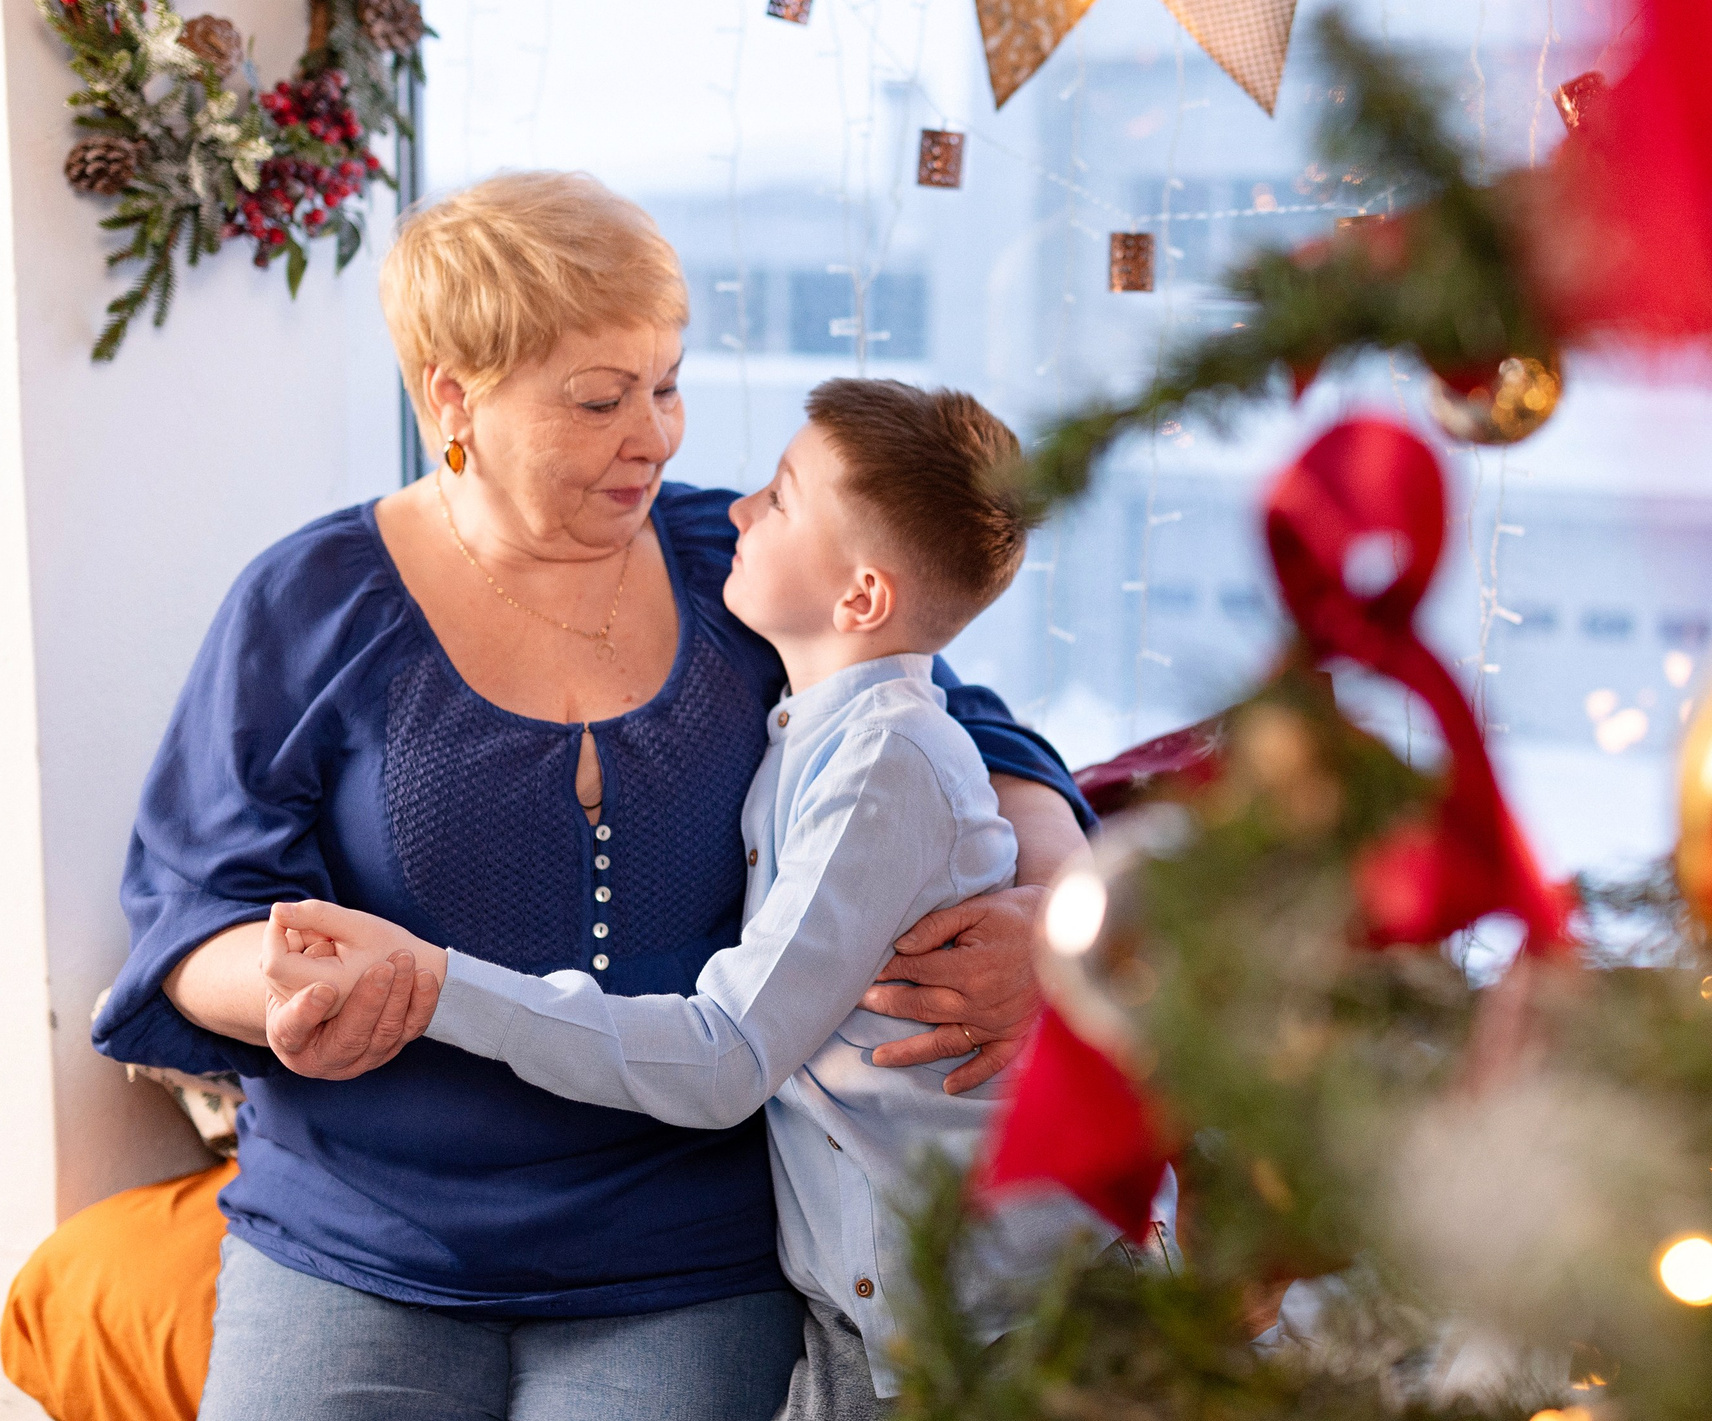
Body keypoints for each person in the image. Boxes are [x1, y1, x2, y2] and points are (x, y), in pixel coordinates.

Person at [88, 172, 1090, 1421]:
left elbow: (976, 737)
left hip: (681, 1248)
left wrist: (1048, 916)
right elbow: (192, 910)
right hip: (360, 1233)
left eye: (665, 384)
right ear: (455, 397)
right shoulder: (308, 599)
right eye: (601, 400)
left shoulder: (745, 565)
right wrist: (295, 991)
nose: (658, 435)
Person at [265, 378, 1106, 1420]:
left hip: (992, 1320)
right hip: (892, 1304)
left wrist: (430, 982)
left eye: (780, 496)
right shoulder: (818, 734)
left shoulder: (885, 763)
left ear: (861, 599)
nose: (738, 513)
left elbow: (724, 1056)